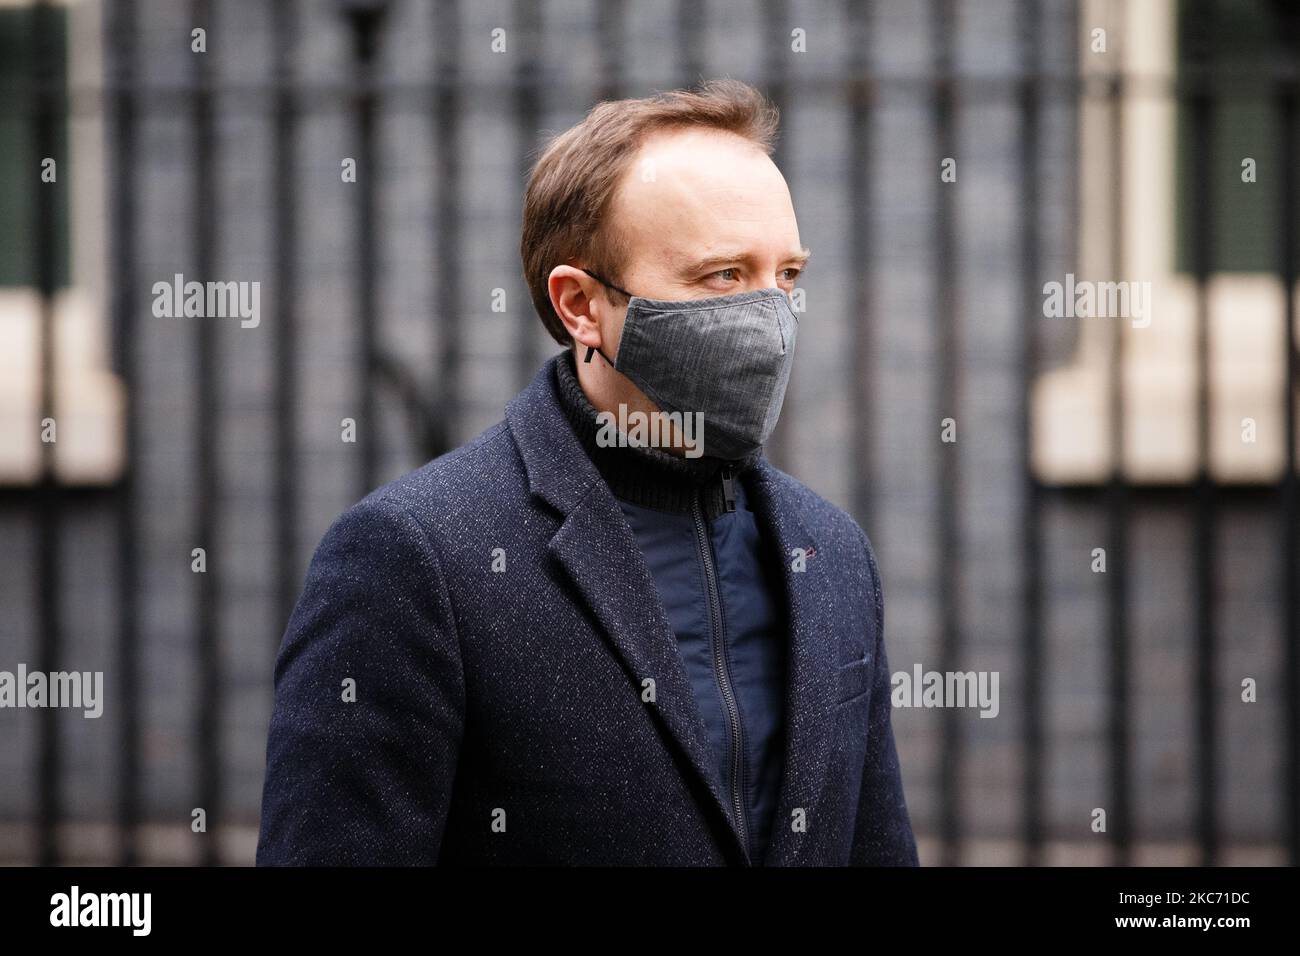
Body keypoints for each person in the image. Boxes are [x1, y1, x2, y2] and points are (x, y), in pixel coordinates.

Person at [256, 78, 918, 866]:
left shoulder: (832, 552)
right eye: (722, 276)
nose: (771, 318)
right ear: (580, 305)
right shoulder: (416, 559)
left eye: (788, 277)